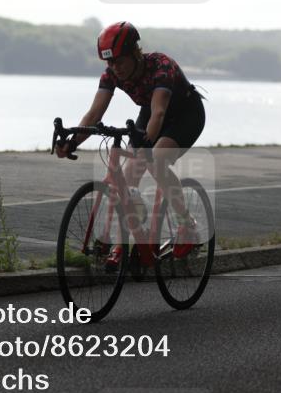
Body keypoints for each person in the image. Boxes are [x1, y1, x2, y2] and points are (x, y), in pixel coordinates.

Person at [55, 21, 206, 267]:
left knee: (156, 160)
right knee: (127, 178)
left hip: (184, 115)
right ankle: (122, 244)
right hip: (150, 112)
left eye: (119, 61)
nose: (115, 68)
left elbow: (158, 114)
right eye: (109, 62)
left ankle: (187, 225)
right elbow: (94, 115)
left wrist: (145, 149)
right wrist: (72, 143)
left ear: (135, 53)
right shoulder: (112, 73)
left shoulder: (161, 67)